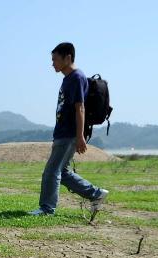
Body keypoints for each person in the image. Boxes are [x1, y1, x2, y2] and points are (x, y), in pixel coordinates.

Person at [31, 42, 108, 220]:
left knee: (51, 171)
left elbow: (79, 108)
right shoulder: (68, 79)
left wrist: (80, 136)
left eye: (55, 59)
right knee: (62, 173)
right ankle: (96, 194)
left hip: (69, 133)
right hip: (64, 132)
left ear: (68, 58)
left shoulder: (76, 77)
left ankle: (46, 208)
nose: (53, 64)